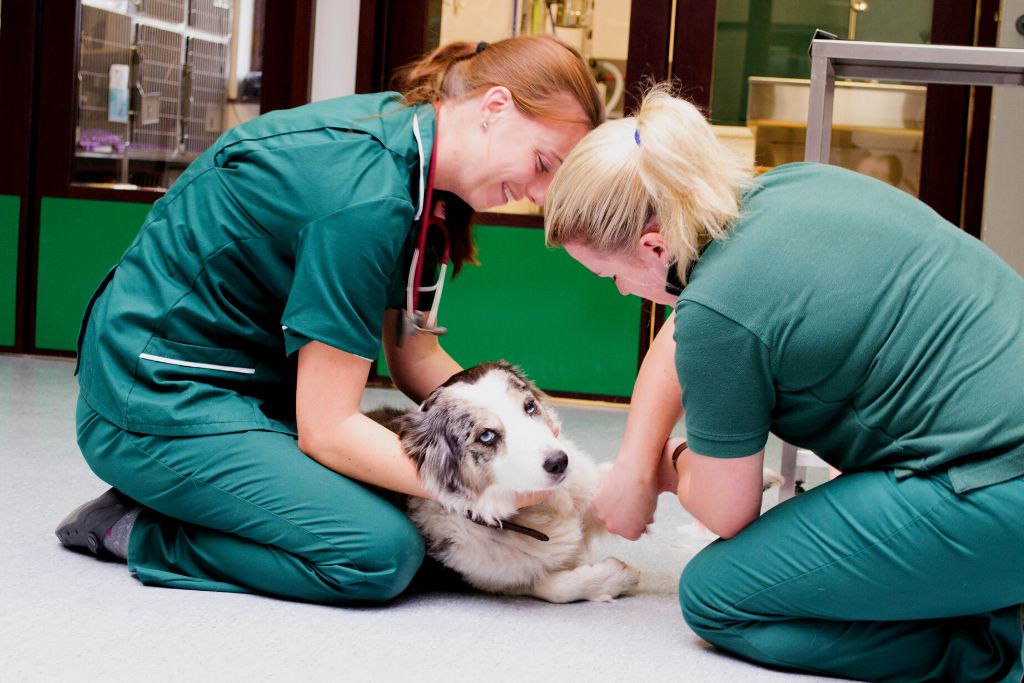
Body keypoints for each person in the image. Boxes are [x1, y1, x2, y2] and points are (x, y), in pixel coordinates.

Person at [56, 35, 604, 605]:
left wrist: (517, 430)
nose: (537, 194)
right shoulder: (365, 196)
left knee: (400, 497)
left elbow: (413, 355)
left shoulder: (422, 173)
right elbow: (329, 428)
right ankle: (135, 530)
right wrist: (486, 489)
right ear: (494, 108)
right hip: (153, 403)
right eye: (543, 165)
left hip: (254, 396)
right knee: (377, 553)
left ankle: (201, 493)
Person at [544, 84, 1024, 682]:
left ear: (653, 246)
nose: (618, 290)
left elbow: (728, 512)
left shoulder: (720, 314)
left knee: (718, 598)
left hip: (993, 486)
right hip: (996, 450)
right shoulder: (789, 185)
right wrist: (634, 464)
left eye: (610, 274)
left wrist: (665, 468)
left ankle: (998, 651)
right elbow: (684, 328)